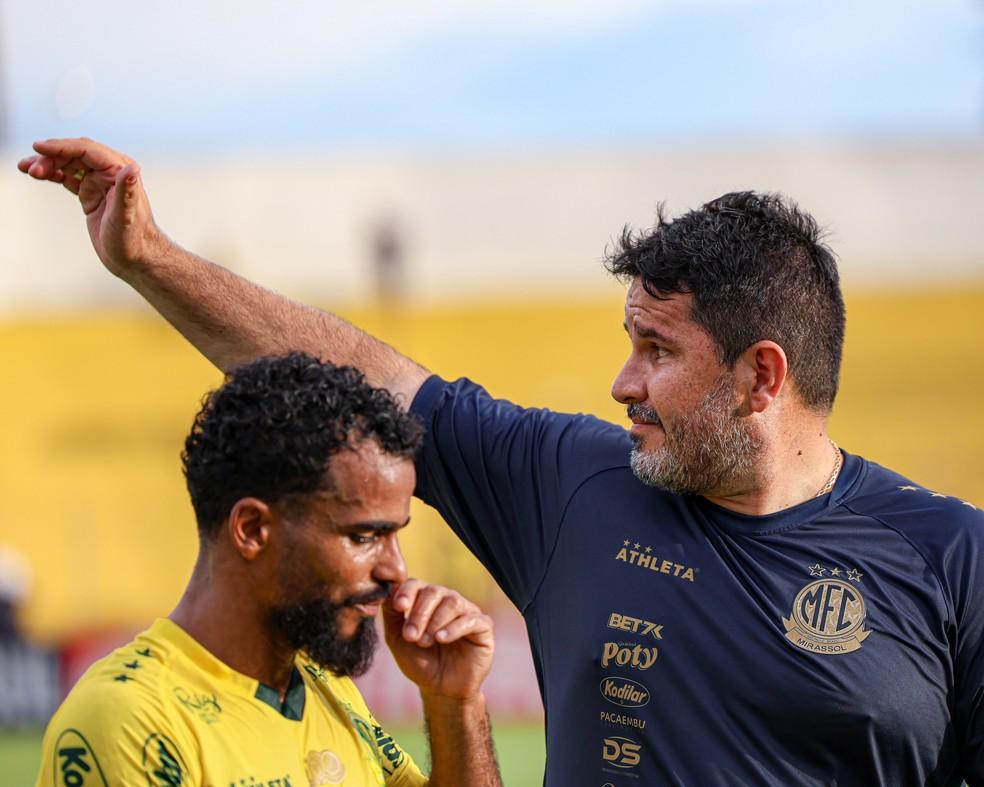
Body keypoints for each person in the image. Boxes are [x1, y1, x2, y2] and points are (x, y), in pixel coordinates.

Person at [20, 139, 984, 786]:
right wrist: (150, 257)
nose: (622, 382)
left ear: (760, 376)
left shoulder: (951, 557)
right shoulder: (576, 484)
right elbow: (363, 384)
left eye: (657, 350)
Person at [34, 352, 502, 786]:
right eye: (364, 537)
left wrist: (454, 704)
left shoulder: (325, 687)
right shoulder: (128, 719)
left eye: (395, 535)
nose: (395, 570)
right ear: (254, 529)